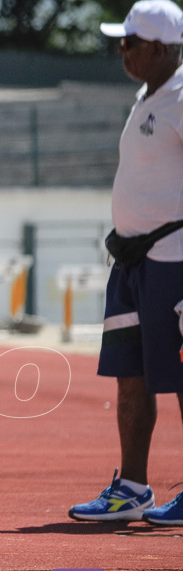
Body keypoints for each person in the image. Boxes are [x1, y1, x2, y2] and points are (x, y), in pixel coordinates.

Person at [69, 0, 183, 527]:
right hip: (134, 263)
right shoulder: (148, 96)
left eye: (130, 42)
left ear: (160, 48)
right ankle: (133, 488)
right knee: (130, 375)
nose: (122, 50)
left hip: (174, 261)